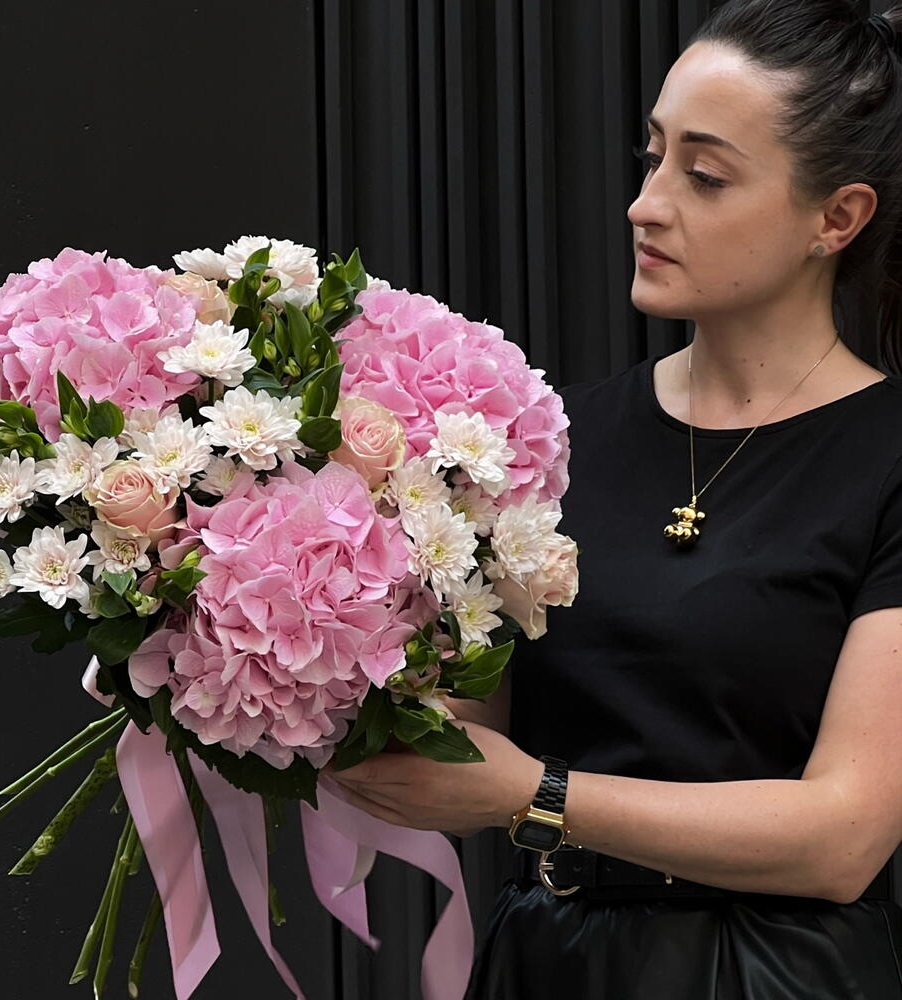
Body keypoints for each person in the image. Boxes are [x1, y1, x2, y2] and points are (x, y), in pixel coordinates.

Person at [320, 2, 902, 995]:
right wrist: (229, 619)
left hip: (778, 976)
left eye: (704, 175)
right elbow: (458, 727)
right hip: (548, 962)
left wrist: (538, 796)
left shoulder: (884, 456)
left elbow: (841, 836)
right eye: (653, 156)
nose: (645, 203)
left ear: (835, 219)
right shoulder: (553, 438)